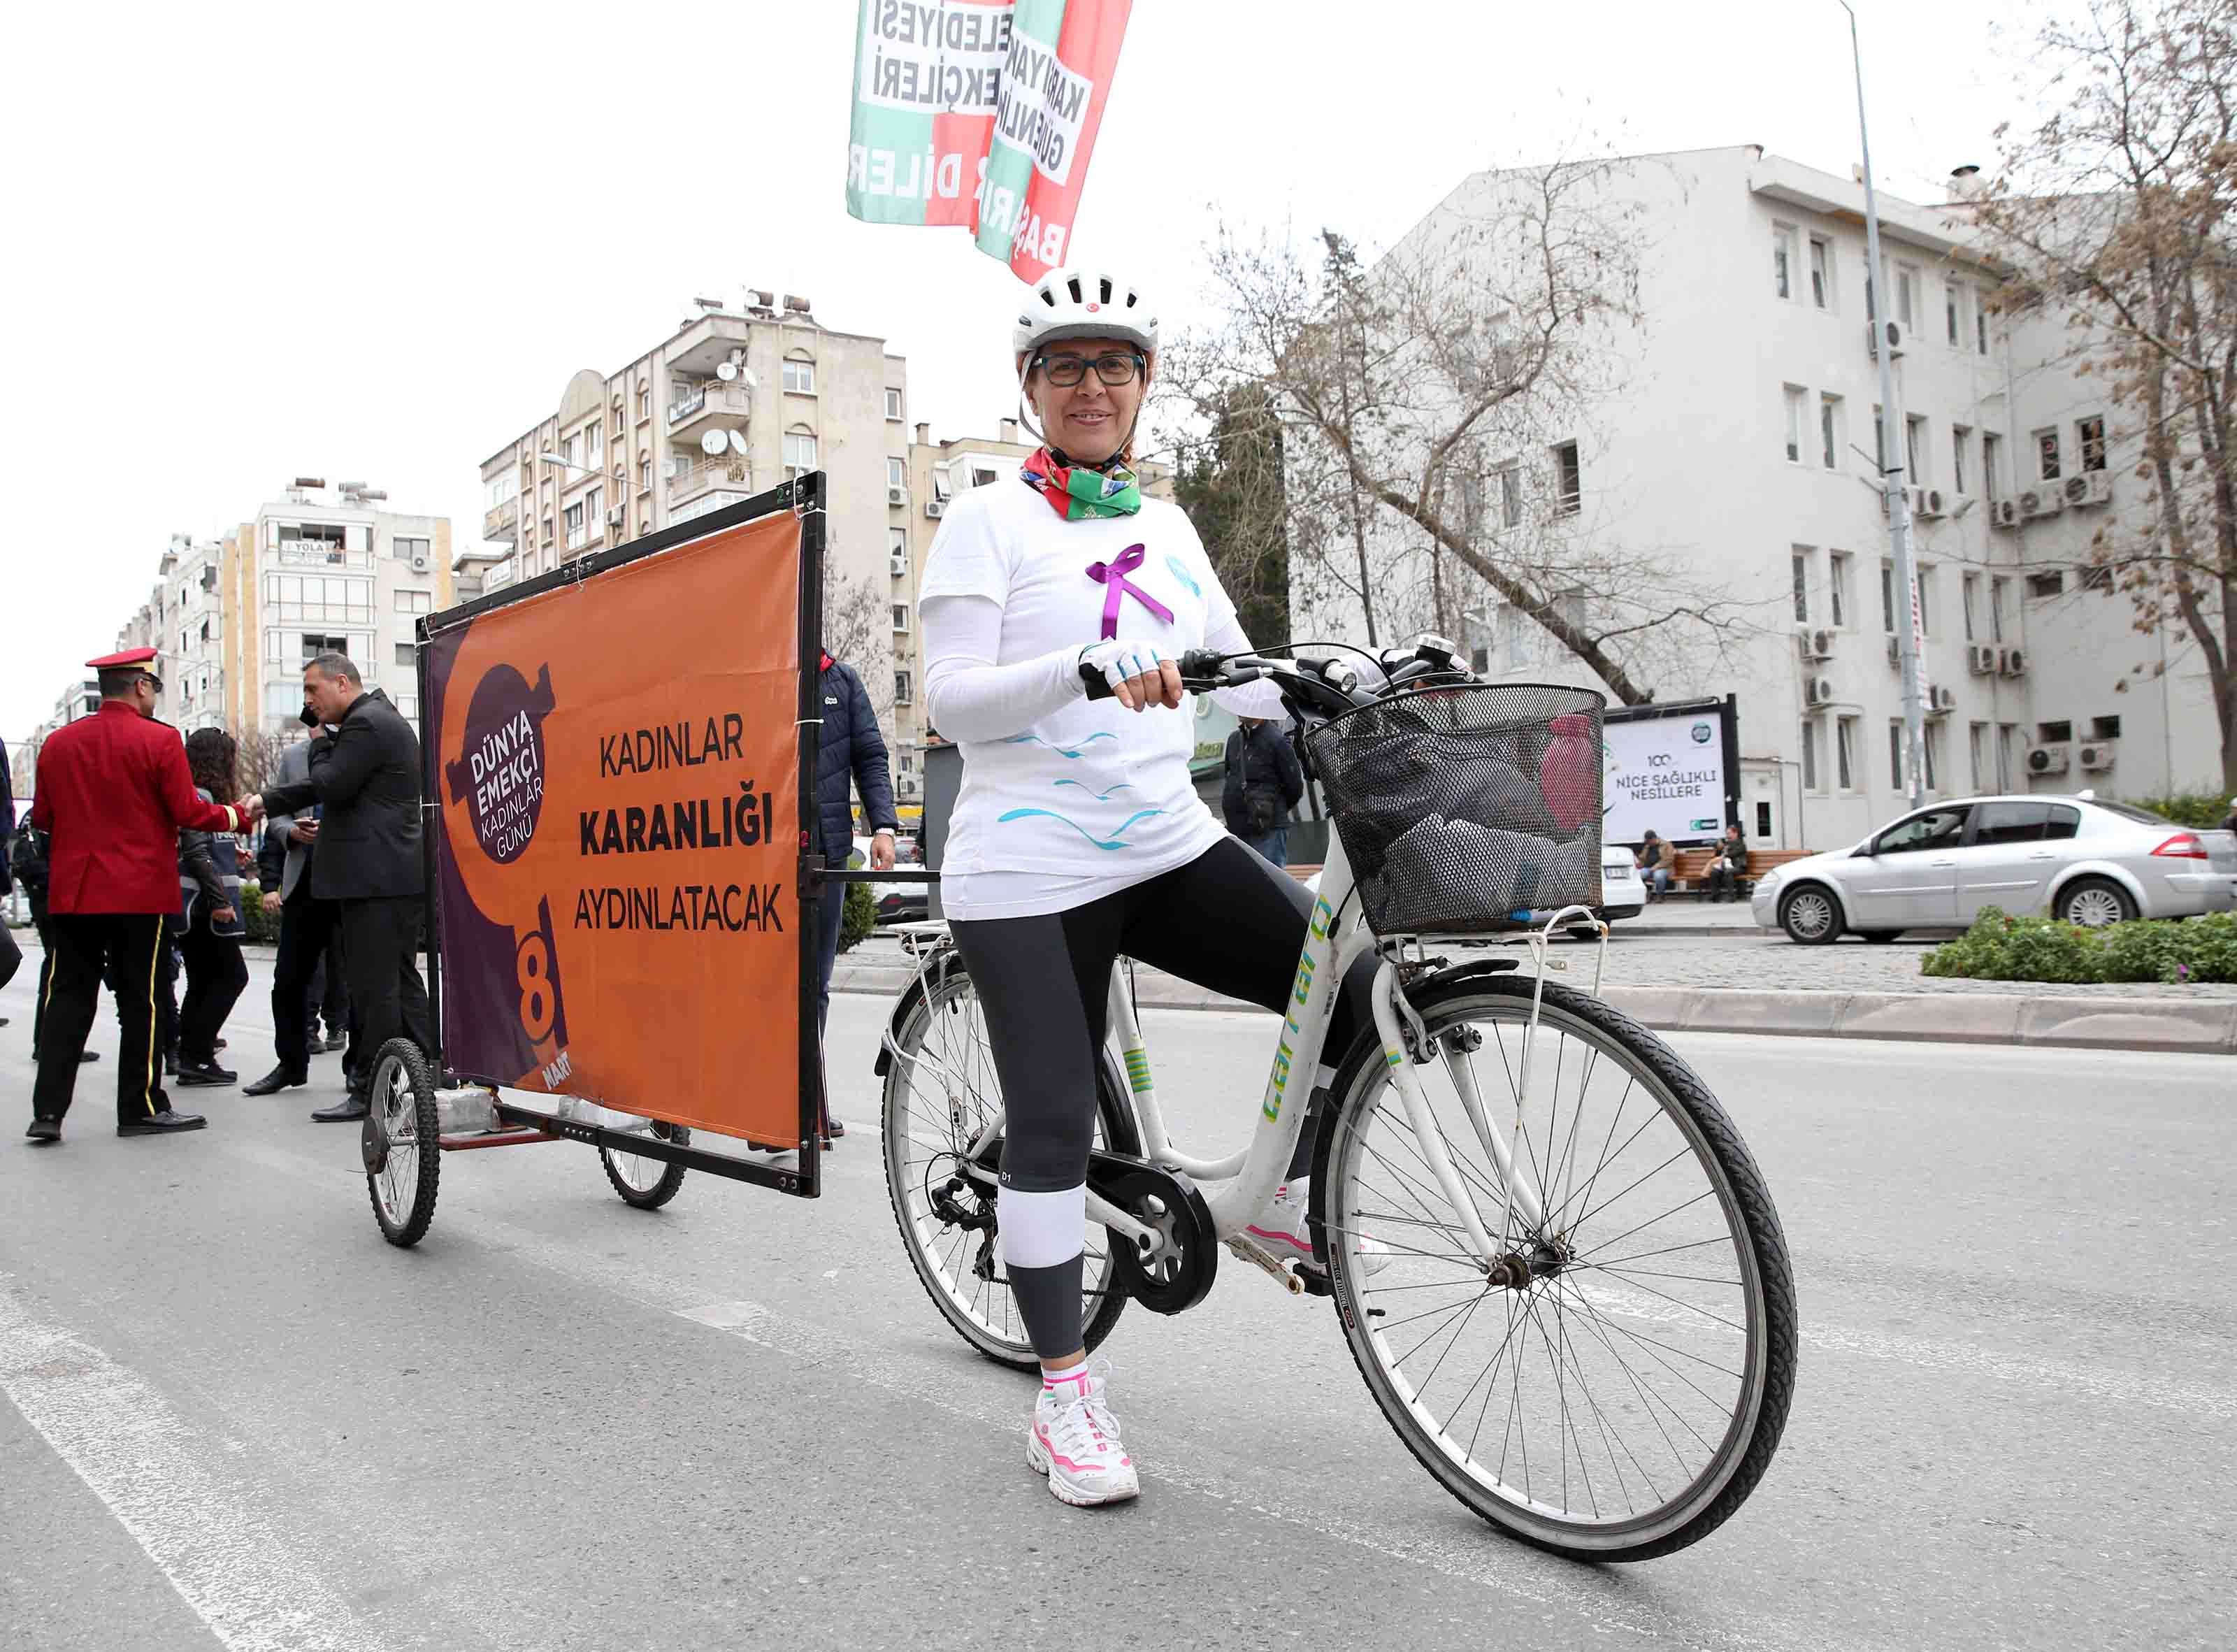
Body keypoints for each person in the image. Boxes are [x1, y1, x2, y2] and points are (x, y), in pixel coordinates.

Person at [918, 268, 1378, 1509]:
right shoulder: (989, 520)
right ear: (1031, 387)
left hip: (1163, 840)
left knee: (1350, 984)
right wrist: (1078, 664)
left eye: (1114, 364)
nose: (1092, 385)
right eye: (1065, 365)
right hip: (1027, 865)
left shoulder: (1167, 527)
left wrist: (1344, 678)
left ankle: (1279, 1195)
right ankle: (1063, 1393)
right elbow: (949, 699)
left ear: (1144, 384)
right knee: (1055, 1122)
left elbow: (1235, 670)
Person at [25, 648, 261, 1143]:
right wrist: (237, 815)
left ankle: (47, 1112)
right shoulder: (159, 739)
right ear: (140, 686)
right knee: (143, 999)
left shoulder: (59, 743)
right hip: (138, 890)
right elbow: (188, 811)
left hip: (77, 889)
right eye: (153, 685)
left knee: (68, 996)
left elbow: (44, 816)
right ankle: (140, 1106)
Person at [256, 653, 430, 1122]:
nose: (308, 701)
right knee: (399, 984)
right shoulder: (378, 718)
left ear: (341, 682)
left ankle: (374, 1090)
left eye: (312, 690)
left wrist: (318, 742)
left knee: (376, 992)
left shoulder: (365, 723)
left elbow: (329, 785)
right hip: (387, 878)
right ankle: (431, 1076)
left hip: (374, 880)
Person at [812, 647, 899, 1142]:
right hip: (768, 851)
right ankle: (777, 1104)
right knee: (773, 983)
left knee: (816, 985)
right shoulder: (764, 672)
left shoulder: (842, 683)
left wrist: (884, 826)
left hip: (826, 855)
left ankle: (807, 1100)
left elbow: (870, 756)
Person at [245, 730, 361, 1098]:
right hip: (304, 878)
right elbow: (276, 814)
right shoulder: (293, 756)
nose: (315, 719)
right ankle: (290, 1063)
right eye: (309, 711)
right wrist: (292, 832)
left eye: (318, 706)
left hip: (352, 880)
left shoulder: (362, 747)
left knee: (359, 980)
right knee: (289, 979)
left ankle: (359, 1069)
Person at [173, 729, 250, 1088]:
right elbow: (195, 853)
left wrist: (231, 852)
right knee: (232, 977)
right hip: (203, 909)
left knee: (202, 982)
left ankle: (192, 1056)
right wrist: (220, 902)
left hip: (200, 907)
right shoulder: (198, 795)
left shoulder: (204, 797)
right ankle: (197, 1055)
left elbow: (204, 846)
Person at [1221, 713, 1304, 866]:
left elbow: (1295, 786)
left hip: (1269, 830)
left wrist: (1271, 807)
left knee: (1269, 878)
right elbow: (1229, 775)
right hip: (1238, 829)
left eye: (1245, 705)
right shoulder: (1234, 740)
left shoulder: (1277, 740)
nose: (1239, 711)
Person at [1704, 822, 1750, 903]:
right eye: (1727, 834)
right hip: (1725, 866)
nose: (1728, 836)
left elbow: (1732, 854)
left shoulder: (1741, 844)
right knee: (1714, 872)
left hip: (1739, 867)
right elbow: (1718, 856)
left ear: (1735, 834)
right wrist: (1718, 849)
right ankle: (1715, 896)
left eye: (1729, 833)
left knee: (1728, 872)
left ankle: (1731, 896)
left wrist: (1724, 851)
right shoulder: (1726, 844)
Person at [1636, 828, 1671, 901]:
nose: (1648, 843)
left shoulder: (1666, 845)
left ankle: (1660, 895)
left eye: (1649, 841)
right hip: (1648, 868)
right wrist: (1640, 860)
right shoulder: (1647, 846)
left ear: (1654, 839)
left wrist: (1656, 867)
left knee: (1658, 876)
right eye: (1647, 842)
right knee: (1640, 874)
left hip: (1663, 868)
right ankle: (1648, 893)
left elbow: (1668, 859)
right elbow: (1643, 858)